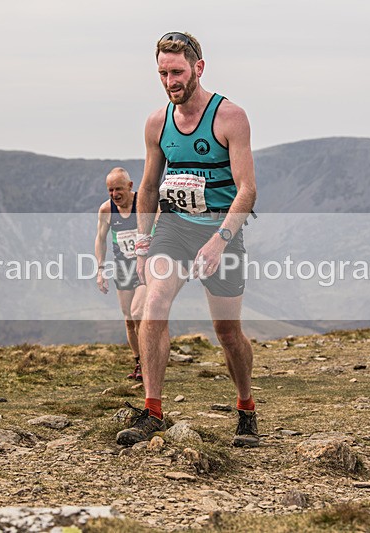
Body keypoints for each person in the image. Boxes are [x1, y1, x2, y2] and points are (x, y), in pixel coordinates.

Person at [115, 31, 259, 447]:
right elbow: (147, 186)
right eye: (162, 73)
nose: (169, 80)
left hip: (221, 231)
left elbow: (246, 190)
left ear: (198, 67)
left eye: (177, 71)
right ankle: (152, 410)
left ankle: (246, 407)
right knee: (155, 303)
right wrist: (143, 242)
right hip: (174, 228)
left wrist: (219, 241)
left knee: (228, 331)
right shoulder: (157, 122)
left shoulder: (230, 117)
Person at [95, 167, 147, 380]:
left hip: (146, 266)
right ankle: (139, 362)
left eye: (118, 189)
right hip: (123, 267)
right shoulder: (107, 210)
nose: (114, 194)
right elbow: (100, 239)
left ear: (130, 186)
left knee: (140, 315)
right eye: (110, 190)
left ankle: (150, 360)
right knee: (129, 319)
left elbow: (162, 228)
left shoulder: (144, 204)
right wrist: (100, 269)